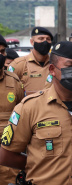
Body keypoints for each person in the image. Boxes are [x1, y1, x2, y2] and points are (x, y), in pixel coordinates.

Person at [0, 41, 72, 185]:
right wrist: (40, 165)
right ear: (52, 69)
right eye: (69, 65)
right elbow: (6, 155)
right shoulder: (29, 107)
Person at [0, 34, 24, 185]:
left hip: (8, 159)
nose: (0, 56)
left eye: (2, 52)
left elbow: (23, 115)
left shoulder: (13, 81)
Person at [8, 26, 53, 95]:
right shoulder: (19, 64)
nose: (45, 42)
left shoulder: (55, 64)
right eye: (41, 39)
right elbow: (8, 90)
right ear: (32, 42)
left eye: (48, 39)